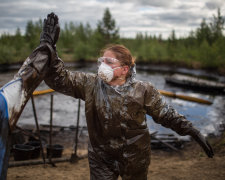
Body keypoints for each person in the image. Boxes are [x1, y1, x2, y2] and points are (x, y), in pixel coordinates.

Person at [0, 13, 213, 180]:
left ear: (125, 69)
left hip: (136, 159)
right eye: (102, 60)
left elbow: (166, 115)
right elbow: (59, 78)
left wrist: (192, 130)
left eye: (109, 62)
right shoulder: (91, 84)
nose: (103, 65)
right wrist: (49, 47)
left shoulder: (144, 90)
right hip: (101, 158)